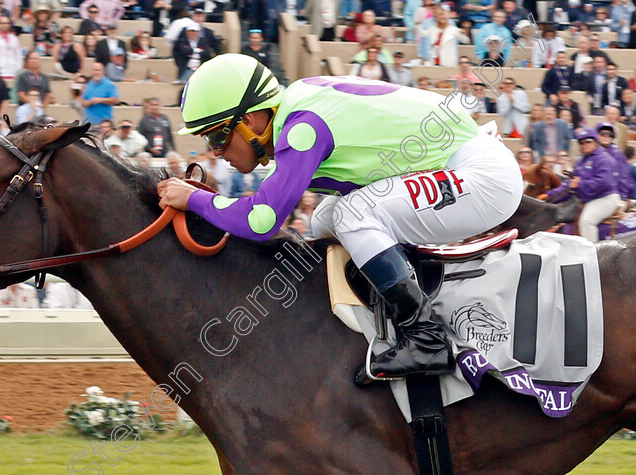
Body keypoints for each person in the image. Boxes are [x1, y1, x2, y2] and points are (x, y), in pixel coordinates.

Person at [158, 54, 523, 379]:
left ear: (251, 121)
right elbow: (262, 207)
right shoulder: (294, 111)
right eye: (208, 142)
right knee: (324, 218)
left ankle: (425, 338)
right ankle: (387, 319)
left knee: (351, 214)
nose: (216, 151)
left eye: (219, 136)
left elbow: (261, 221)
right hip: (458, 166)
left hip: (480, 175)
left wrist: (195, 201)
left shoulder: (302, 127)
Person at [545, 129, 619, 243]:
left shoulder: (603, 158)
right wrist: (548, 196)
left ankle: (594, 253)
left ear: (595, 142)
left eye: (588, 141)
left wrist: (580, 184)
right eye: (582, 142)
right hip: (589, 199)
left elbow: (605, 182)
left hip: (605, 197)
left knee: (586, 221)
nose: (585, 144)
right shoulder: (581, 161)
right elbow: (569, 184)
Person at [596, 121, 634, 203]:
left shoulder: (617, 154)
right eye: (603, 134)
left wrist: (622, 198)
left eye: (609, 135)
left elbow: (624, 178)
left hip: (614, 196)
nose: (606, 136)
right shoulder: (591, 153)